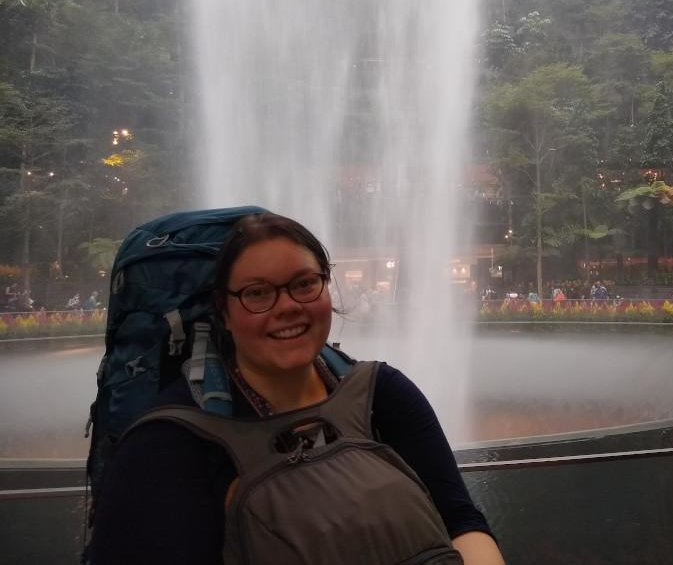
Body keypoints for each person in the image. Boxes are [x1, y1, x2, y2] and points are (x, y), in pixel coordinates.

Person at [89, 213, 503, 565]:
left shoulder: (384, 394)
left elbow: (461, 521)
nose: (287, 306)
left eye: (304, 284)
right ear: (224, 311)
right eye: (257, 293)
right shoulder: (169, 446)